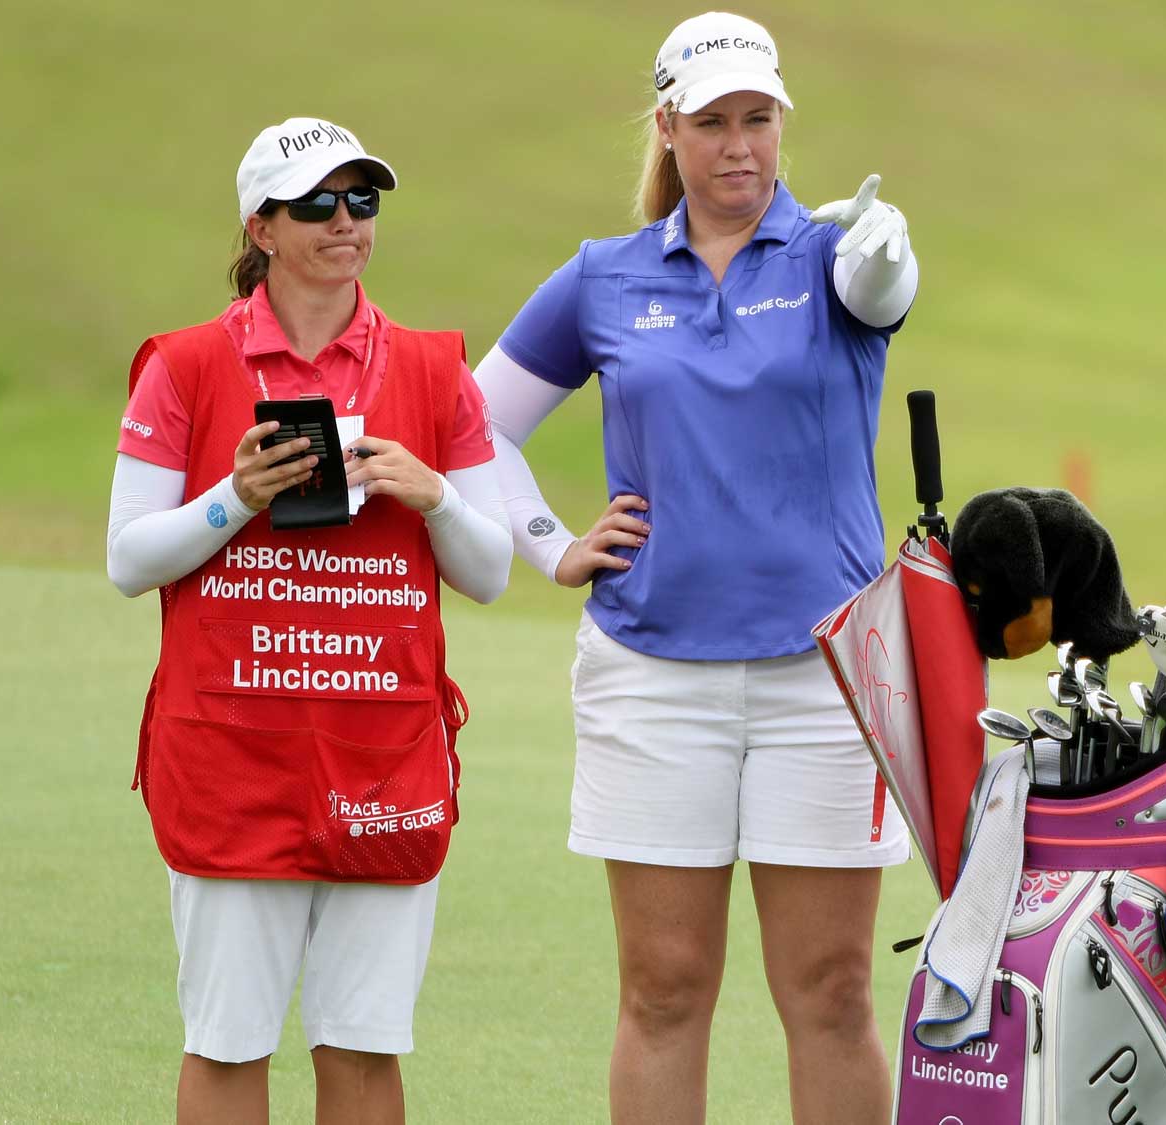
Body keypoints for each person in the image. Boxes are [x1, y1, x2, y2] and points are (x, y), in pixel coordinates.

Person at [472, 13, 922, 1124]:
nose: (738, 147)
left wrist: (883, 245)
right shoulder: (604, 278)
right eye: (712, 122)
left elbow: (883, 286)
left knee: (829, 991)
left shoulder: (832, 252)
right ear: (666, 129)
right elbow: (475, 429)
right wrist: (550, 546)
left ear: (782, 124)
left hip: (826, 679)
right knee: (664, 990)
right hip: (650, 675)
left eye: (757, 120)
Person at [107, 117, 509, 1125]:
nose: (346, 222)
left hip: (383, 753)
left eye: (362, 199)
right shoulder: (188, 366)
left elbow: (490, 570)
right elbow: (128, 558)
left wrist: (434, 497)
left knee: (366, 1049)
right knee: (228, 1045)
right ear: (262, 225)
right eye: (317, 203)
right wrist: (231, 498)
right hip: (231, 754)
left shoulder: (430, 369)